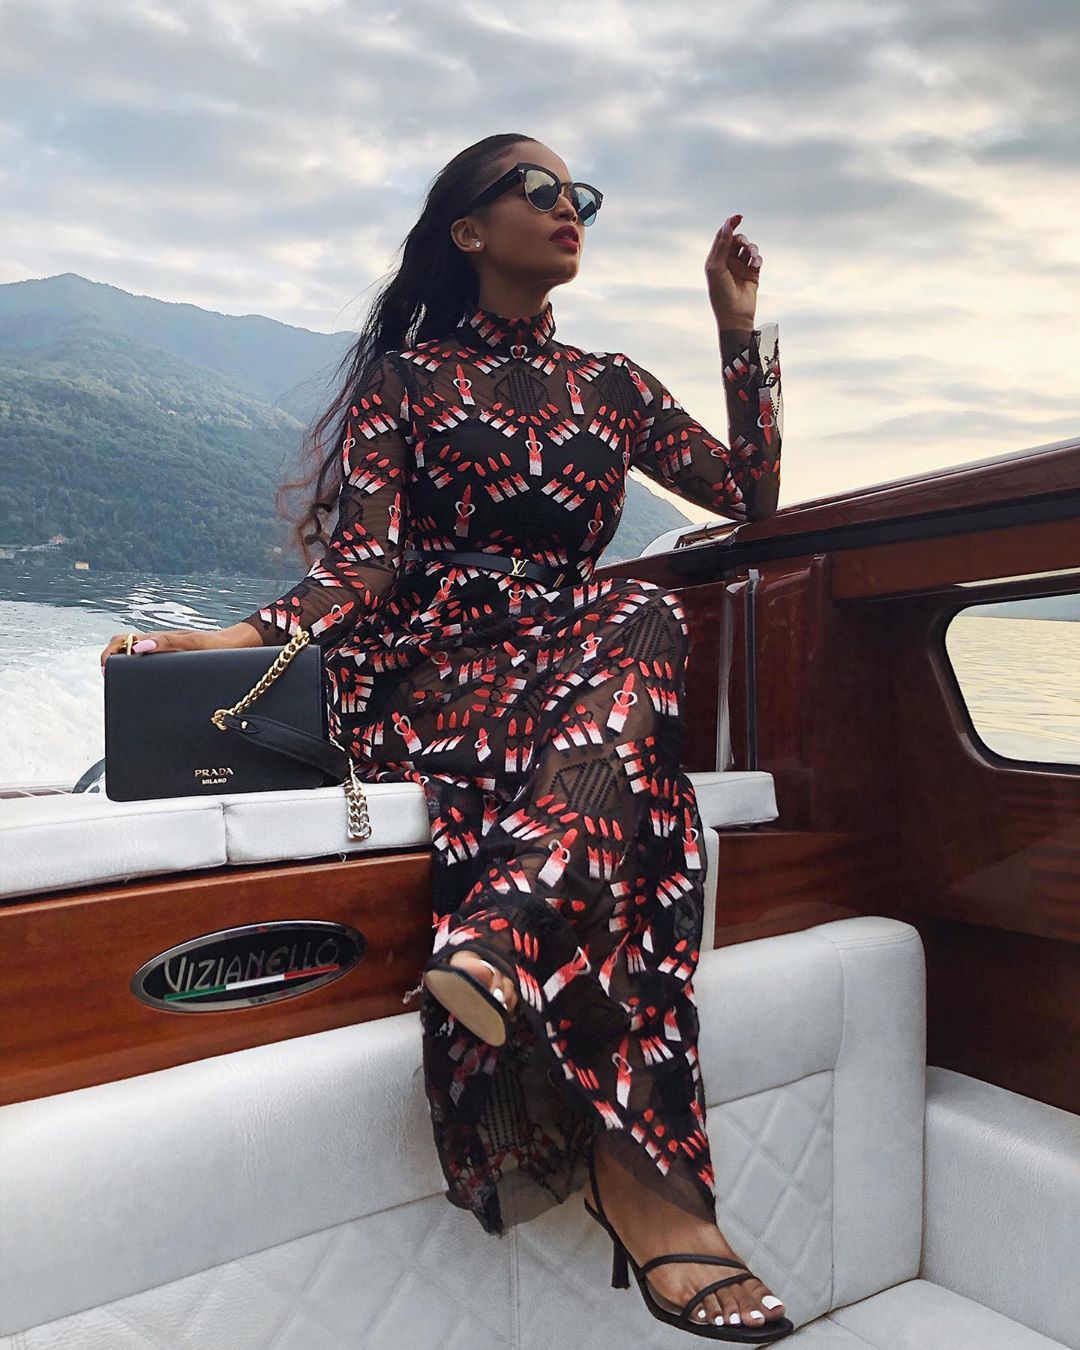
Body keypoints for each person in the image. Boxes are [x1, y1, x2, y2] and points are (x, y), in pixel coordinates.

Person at [99, 134, 789, 1342]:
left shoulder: (612, 384)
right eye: (540, 190)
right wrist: (231, 637)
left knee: (643, 609)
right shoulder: (407, 382)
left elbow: (752, 496)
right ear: (468, 231)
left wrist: (736, 326)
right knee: (642, 793)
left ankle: (507, 933)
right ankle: (642, 1173)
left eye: (582, 195)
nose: (570, 208)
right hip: (434, 670)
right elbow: (363, 565)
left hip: (569, 658)